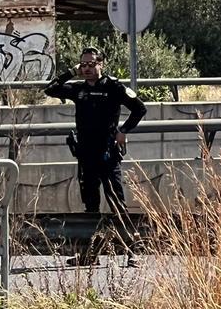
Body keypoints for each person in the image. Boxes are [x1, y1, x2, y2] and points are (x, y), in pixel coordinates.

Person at [44, 46, 146, 265]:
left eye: (92, 64)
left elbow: (139, 108)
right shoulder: (78, 88)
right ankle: (90, 255)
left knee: (117, 203)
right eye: (84, 64)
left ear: (102, 64)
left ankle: (132, 252)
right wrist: (71, 72)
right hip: (86, 155)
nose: (87, 68)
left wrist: (123, 131)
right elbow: (50, 89)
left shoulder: (114, 87)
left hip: (108, 154)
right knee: (90, 206)